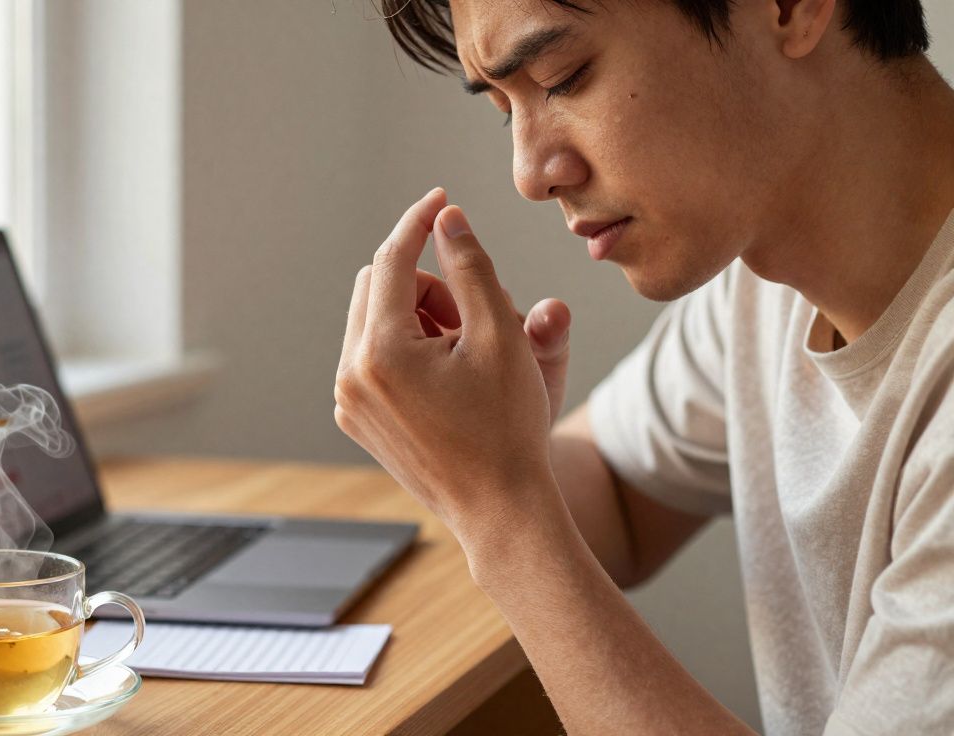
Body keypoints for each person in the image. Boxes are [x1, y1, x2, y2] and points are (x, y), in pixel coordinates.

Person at [332, 1, 954, 733]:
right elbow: (615, 493)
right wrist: (483, 445)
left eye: (564, 77)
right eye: (507, 108)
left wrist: (500, 506)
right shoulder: (764, 288)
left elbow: (530, 511)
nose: (530, 173)